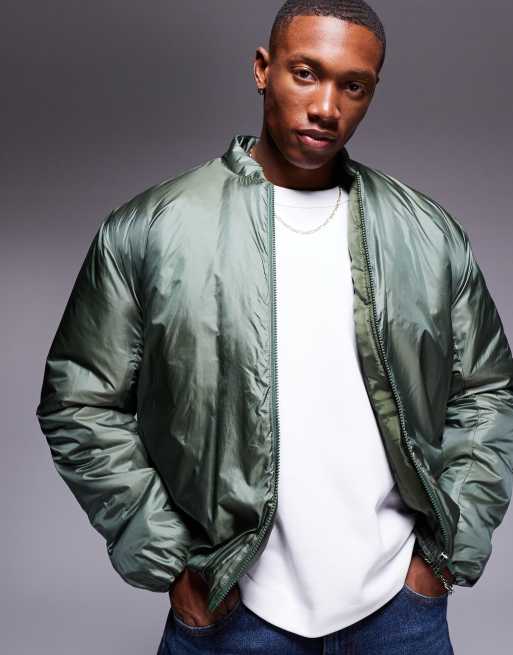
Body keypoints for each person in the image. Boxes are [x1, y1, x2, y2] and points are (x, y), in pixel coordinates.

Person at [36, 1, 513, 653]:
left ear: (371, 92)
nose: (326, 107)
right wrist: (170, 561)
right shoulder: (150, 230)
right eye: (305, 73)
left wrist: (444, 555)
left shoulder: (427, 235)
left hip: (399, 611)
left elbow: (486, 392)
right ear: (263, 69)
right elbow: (80, 402)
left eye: (353, 86)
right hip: (228, 608)